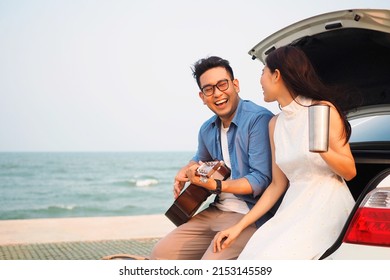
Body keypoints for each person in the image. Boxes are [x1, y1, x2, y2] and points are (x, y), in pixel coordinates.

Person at [213, 45, 357, 259]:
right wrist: (239, 227)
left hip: (326, 207)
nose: (260, 80)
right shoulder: (274, 124)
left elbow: (350, 171)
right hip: (294, 208)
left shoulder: (322, 109)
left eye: (263, 72)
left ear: (276, 75)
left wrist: (322, 150)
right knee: (251, 255)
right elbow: (277, 185)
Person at [149, 56, 279, 260]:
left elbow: (260, 180)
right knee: (160, 254)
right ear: (202, 96)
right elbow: (199, 159)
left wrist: (216, 186)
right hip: (215, 210)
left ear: (235, 85)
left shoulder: (258, 120)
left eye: (222, 84)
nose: (217, 93)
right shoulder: (207, 129)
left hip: (250, 215)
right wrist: (185, 170)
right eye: (209, 89)